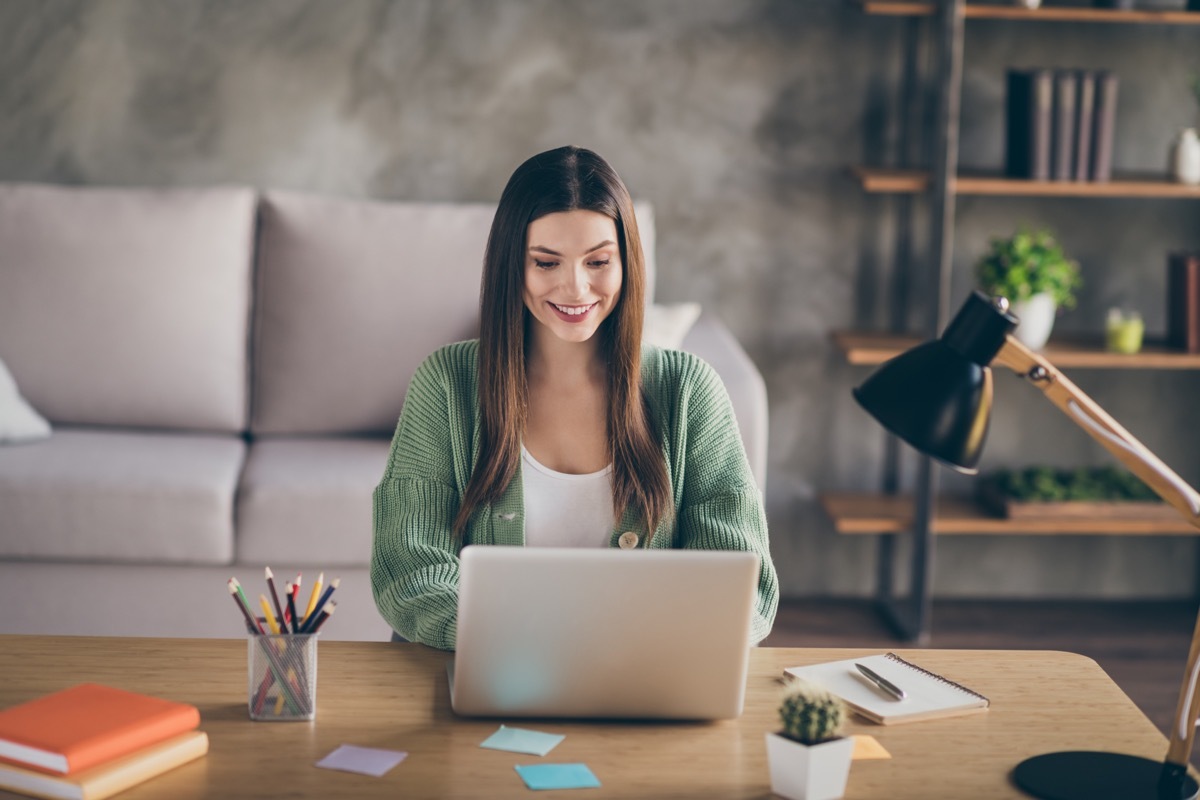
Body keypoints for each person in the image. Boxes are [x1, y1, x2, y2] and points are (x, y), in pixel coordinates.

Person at [371, 145, 778, 650]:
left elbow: (744, 579)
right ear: (510, 266)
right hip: (487, 668)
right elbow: (410, 567)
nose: (576, 287)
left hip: (642, 679)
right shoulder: (446, 383)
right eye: (546, 262)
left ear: (626, 263)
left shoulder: (690, 390)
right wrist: (502, 638)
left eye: (599, 261)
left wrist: (631, 644)